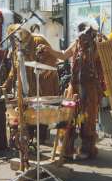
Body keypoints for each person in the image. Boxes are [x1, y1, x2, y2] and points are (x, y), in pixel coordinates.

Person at [41, 22, 105, 159]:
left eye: (84, 37)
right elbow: (64, 55)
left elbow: (101, 66)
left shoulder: (96, 47)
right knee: (68, 116)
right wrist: (49, 49)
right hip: (74, 86)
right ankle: (66, 147)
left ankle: (87, 148)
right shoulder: (76, 44)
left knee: (88, 119)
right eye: (80, 37)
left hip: (90, 88)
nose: (81, 40)